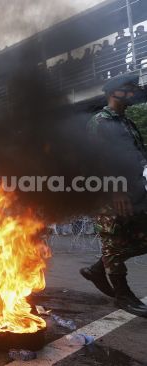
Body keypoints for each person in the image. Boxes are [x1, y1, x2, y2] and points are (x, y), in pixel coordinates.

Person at [80, 74, 147, 317]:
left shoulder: (127, 122)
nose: (133, 92)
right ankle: (122, 294)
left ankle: (97, 269)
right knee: (114, 240)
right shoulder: (100, 121)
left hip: (135, 190)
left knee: (140, 238)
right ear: (114, 92)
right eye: (128, 88)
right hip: (111, 192)